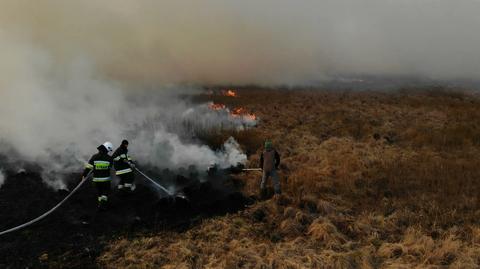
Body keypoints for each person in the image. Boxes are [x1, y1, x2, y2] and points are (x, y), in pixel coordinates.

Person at [83, 141, 114, 209]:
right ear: (107, 149)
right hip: (105, 181)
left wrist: (84, 175)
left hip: (96, 180)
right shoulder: (110, 158)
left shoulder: (94, 156)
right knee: (105, 192)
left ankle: (100, 204)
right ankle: (102, 204)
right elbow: (110, 167)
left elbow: (88, 167)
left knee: (99, 193)